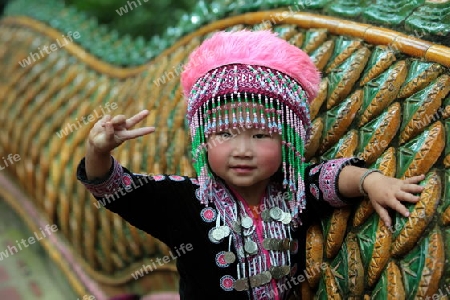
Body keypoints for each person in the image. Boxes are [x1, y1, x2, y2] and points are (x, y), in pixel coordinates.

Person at [76, 30, 424, 300]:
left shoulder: (293, 192)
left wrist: (373, 182)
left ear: (289, 141)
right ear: (202, 139)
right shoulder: (182, 200)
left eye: (261, 135)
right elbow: (115, 189)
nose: (242, 150)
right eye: (224, 133)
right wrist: (98, 151)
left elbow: (331, 178)